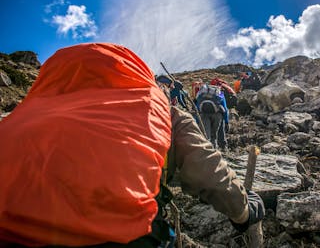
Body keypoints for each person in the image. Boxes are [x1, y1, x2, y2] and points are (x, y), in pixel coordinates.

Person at [0, 43, 264, 247]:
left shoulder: (20, 116)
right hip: (123, 235)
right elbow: (207, 169)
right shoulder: (158, 106)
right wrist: (243, 211)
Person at [195, 83, 229, 151]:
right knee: (214, 134)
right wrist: (226, 121)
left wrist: (197, 121)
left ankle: (207, 151)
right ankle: (220, 149)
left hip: (203, 114)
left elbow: (197, 108)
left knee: (207, 135)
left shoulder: (200, 94)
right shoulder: (220, 93)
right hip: (217, 115)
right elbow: (225, 109)